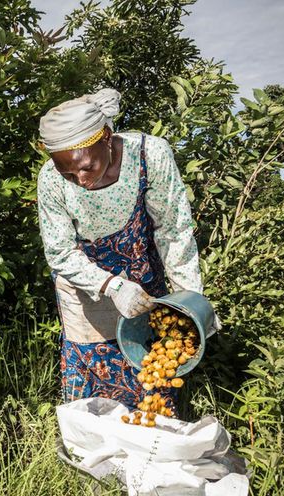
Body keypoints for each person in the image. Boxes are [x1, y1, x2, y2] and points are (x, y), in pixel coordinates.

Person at [36, 88, 215, 411]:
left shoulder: (150, 155)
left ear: (106, 137)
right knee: (92, 382)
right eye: (68, 173)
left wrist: (190, 304)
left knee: (151, 369)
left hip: (146, 283)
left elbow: (174, 232)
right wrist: (112, 286)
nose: (80, 179)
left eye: (86, 167)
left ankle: (151, 447)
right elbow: (60, 252)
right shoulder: (50, 179)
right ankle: (93, 456)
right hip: (86, 288)